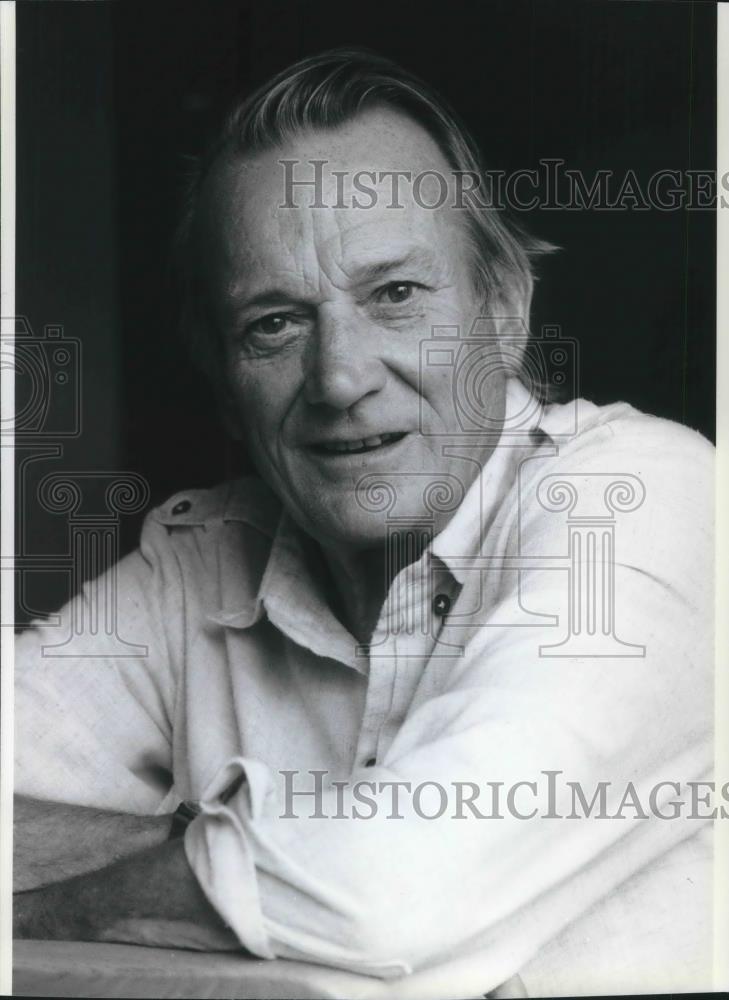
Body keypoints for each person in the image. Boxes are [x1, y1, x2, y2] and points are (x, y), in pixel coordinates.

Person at [13, 49, 714, 997]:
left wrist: (44, 904)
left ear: (505, 313)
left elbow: (392, 893)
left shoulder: (644, 499)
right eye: (274, 323)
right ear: (222, 382)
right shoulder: (200, 560)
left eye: (395, 296)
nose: (339, 378)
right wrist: (203, 849)